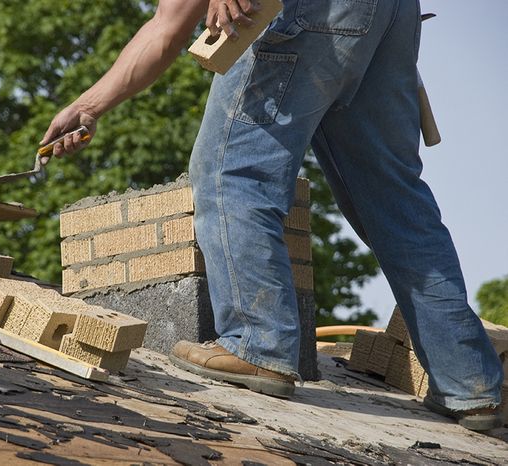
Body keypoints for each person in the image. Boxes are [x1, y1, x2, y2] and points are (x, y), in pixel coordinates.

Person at [40, 0, 503, 431]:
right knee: (395, 201)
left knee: (233, 173)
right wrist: (86, 107)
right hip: (387, 14)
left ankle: (256, 343)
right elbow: (168, 26)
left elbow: (169, 25)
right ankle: (470, 384)